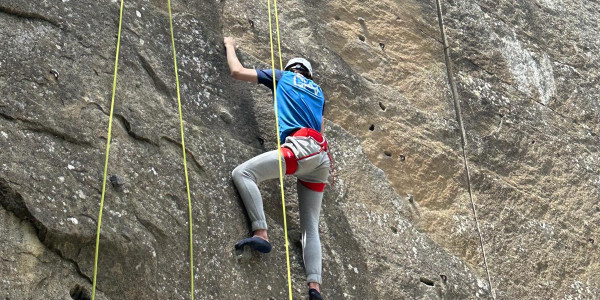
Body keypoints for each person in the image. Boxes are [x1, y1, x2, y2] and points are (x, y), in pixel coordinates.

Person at [224, 36, 331, 300]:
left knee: (243, 173)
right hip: (320, 157)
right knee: (310, 226)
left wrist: (229, 45)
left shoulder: (282, 77)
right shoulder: (319, 93)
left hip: (300, 149)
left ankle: (261, 232)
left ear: (292, 68)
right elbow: (321, 128)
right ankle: (314, 288)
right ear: (308, 73)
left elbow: (237, 72)